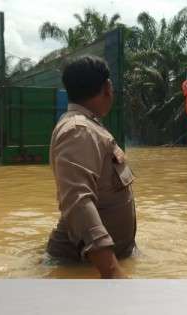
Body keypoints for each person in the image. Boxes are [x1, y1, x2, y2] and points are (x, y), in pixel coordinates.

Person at [46, 55, 137, 279]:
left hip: (95, 260)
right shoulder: (80, 130)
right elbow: (78, 201)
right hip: (80, 264)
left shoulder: (89, 126)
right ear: (107, 87)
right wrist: (112, 271)